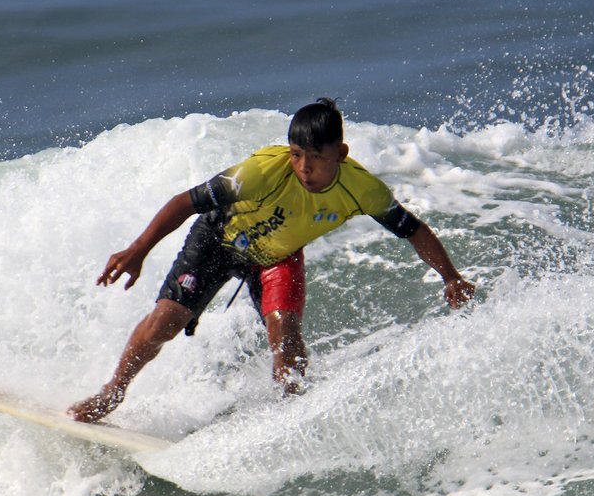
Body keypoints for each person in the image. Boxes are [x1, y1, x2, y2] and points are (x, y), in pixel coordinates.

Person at [68, 98, 475, 422]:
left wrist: (451, 277)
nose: (303, 167)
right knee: (167, 321)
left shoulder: (362, 189)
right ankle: (112, 394)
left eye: (314, 156)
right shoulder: (261, 173)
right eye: (297, 154)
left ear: (341, 152)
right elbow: (186, 202)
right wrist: (138, 250)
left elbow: (413, 229)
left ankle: (291, 419)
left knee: (287, 336)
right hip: (218, 238)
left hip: (276, 257)